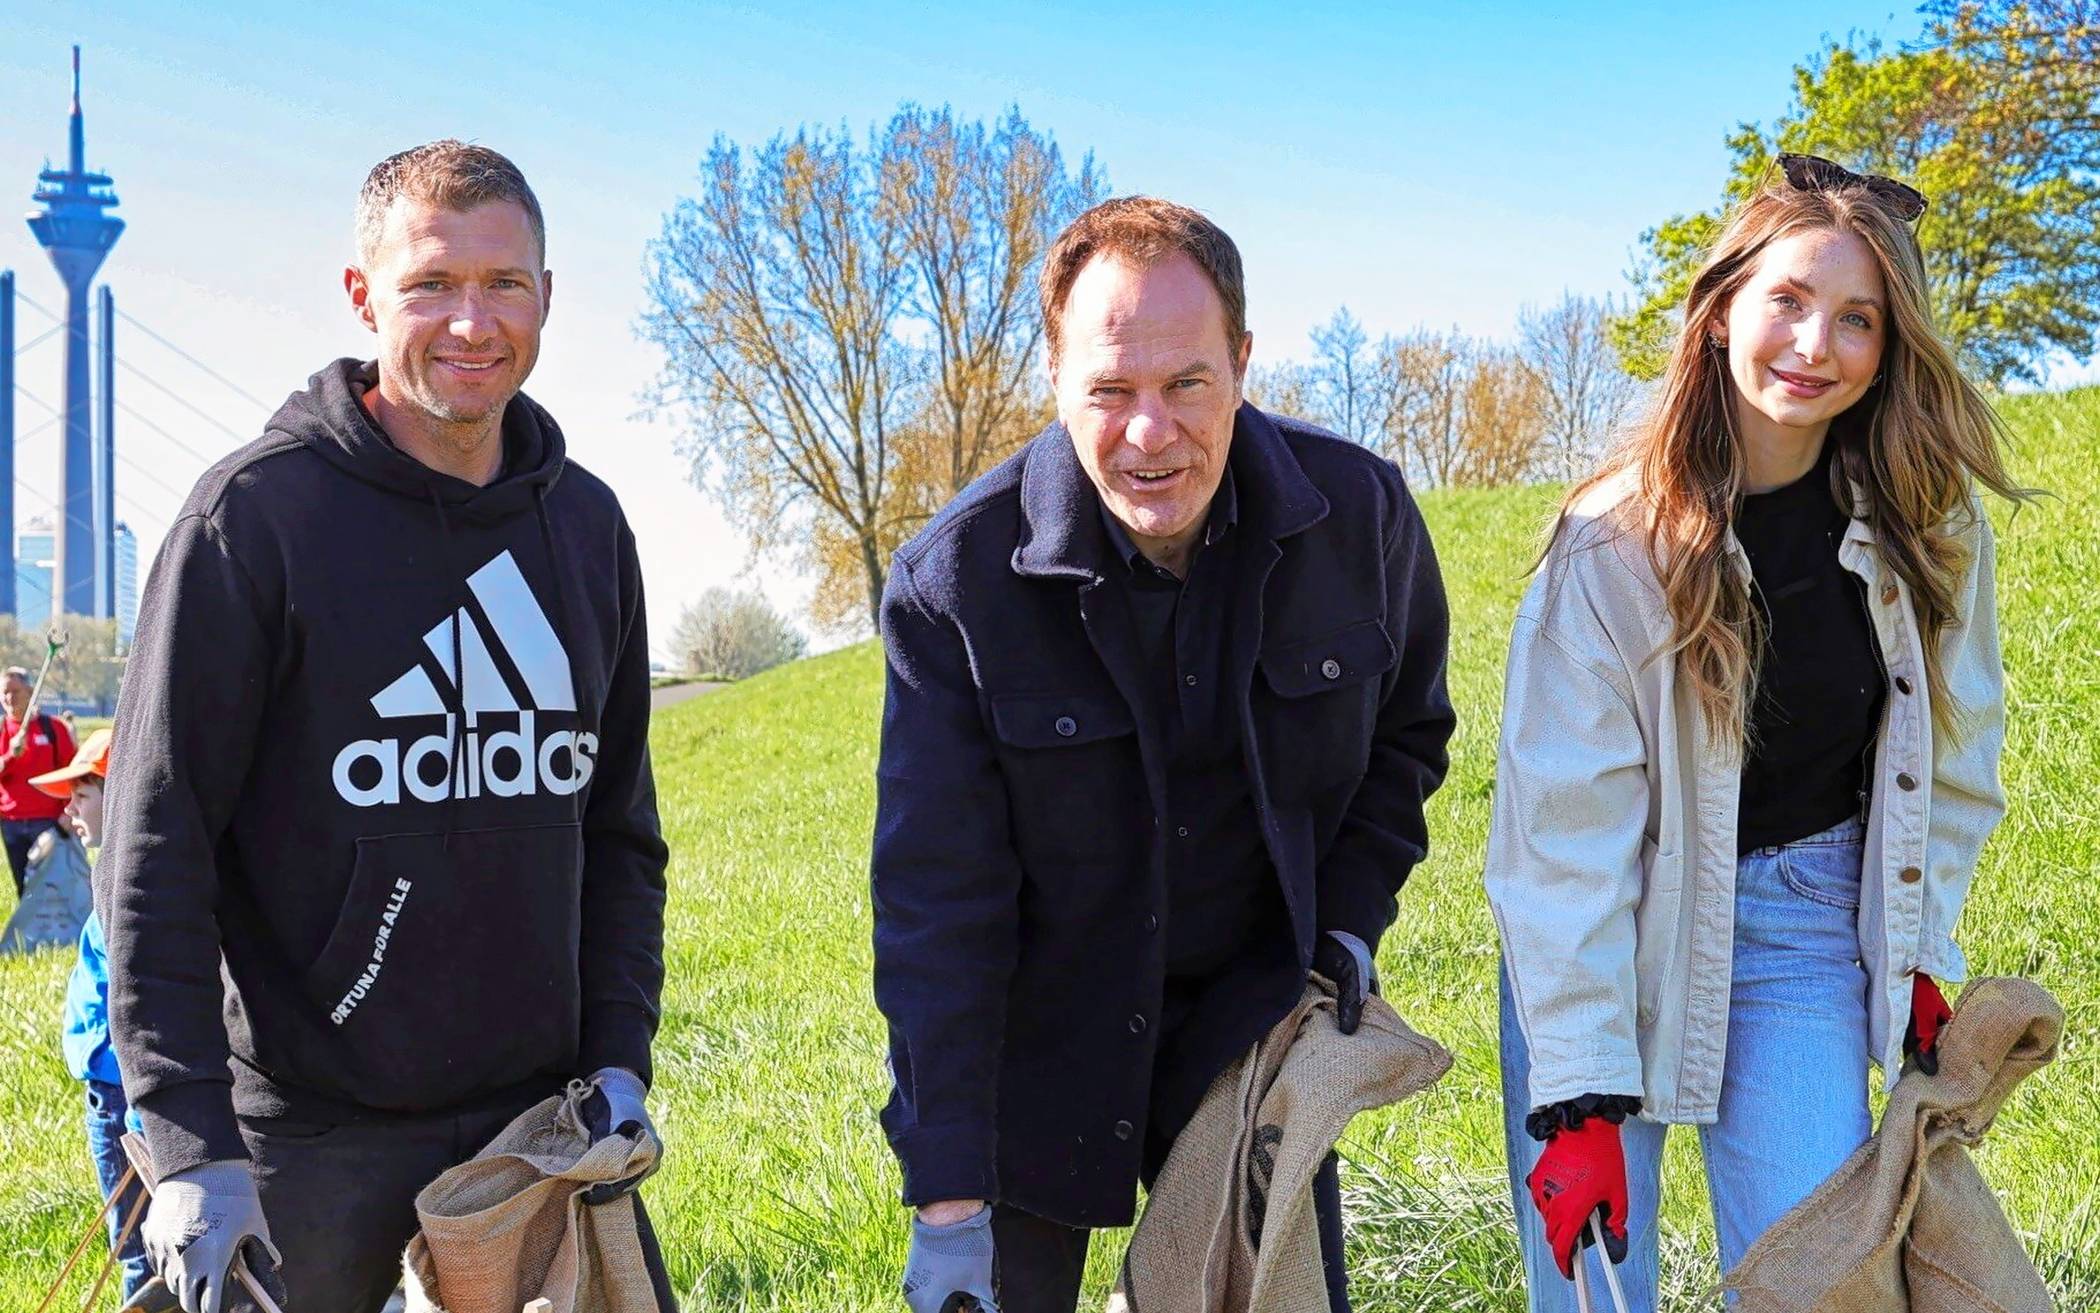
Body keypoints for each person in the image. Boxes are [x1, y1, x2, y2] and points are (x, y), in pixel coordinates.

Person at [95, 141, 673, 1313]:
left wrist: (618, 1056)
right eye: (430, 285)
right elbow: (156, 858)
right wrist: (189, 1146)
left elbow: (620, 837)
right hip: (303, 1138)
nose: (472, 320)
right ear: (363, 297)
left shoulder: (590, 530)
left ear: (549, 298)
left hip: (535, 1132)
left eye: (506, 283)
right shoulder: (250, 525)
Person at [872, 196, 1455, 1313]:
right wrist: (947, 1198)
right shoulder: (954, 586)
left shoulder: (1359, 517)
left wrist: (1341, 927)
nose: (1150, 433)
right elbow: (935, 901)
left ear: (1241, 361)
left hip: (1250, 1034)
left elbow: (1408, 737)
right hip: (1037, 1049)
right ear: (1054, 378)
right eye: (1110, 390)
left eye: (1187, 383)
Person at [1485, 154, 2026, 1310]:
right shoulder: (1609, 544)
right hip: (1611, 929)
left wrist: (1922, 948)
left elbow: (1958, 750)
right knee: (1593, 1292)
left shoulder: (1927, 523)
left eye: (1857, 319)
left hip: (1803, 926)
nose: (1814, 344)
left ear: (1891, 348)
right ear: (1725, 304)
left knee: (1818, 1282)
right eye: (1788, 299)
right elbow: (1562, 836)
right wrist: (1578, 1097)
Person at [35, 727, 151, 1300]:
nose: (68, 809)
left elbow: (142, 1008)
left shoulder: (133, 885)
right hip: (115, 1095)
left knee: (140, 1256)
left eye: (82, 794)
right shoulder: (117, 873)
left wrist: (140, 1122)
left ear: (121, 791)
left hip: (125, 1102)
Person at [1, 664, 76, 897]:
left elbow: (72, 771)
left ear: (30, 692)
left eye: (15, 691)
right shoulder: (2, 731)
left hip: (48, 821)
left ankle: (58, 932)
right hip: (11, 822)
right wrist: (10, 755)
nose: (9, 698)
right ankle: (29, 932)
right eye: (4, 692)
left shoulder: (53, 728)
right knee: (23, 888)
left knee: (52, 884)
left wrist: (69, 811)